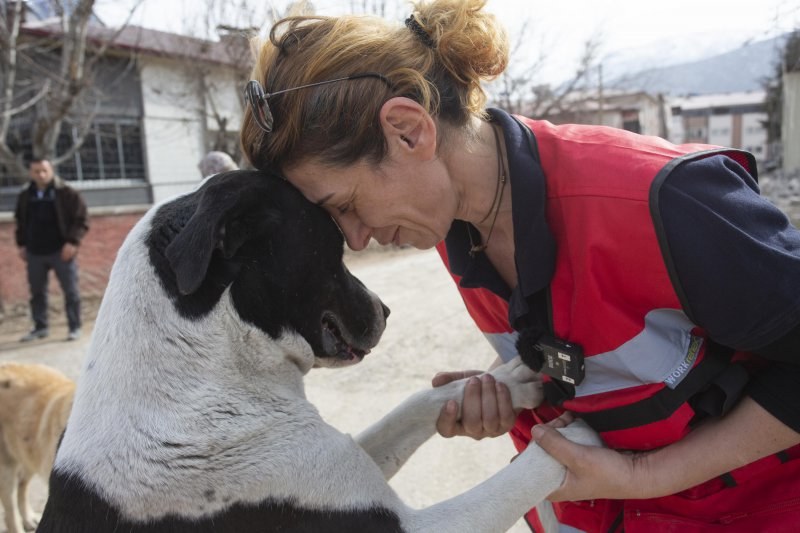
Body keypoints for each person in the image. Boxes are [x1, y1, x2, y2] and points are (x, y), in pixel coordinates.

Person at [239, 1, 800, 530]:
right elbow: (608, 361)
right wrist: (517, 390)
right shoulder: (449, 225)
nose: (357, 239)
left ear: (408, 131)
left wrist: (644, 476)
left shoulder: (663, 200)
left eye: (345, 205)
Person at [14, 158, 88, 342]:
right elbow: (20, 222)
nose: (41, 174)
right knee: (37, 292)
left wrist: (72, 242)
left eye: (44, 170)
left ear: (51, 170)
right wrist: (21, 244)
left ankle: (74, 327)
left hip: (61, 251)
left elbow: (82, 220)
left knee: (71, 291)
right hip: (35, 252)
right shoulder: (25, 195)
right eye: (36, 171)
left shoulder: (66, 193)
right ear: (31, 173)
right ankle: (40, 327)